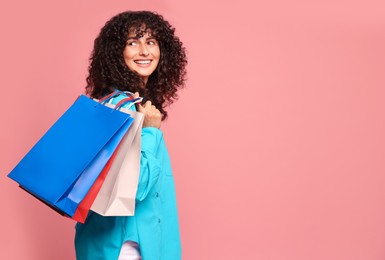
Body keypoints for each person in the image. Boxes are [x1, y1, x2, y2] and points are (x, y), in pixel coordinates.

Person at [74, 11, 187, 260]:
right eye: (133, 43)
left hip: (129, 242)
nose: (144, 51)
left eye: (151, 42)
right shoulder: (121, 109)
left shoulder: (132, 104)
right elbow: (135, 187)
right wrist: (150, 132)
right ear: (117, 52)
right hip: (126, 247)